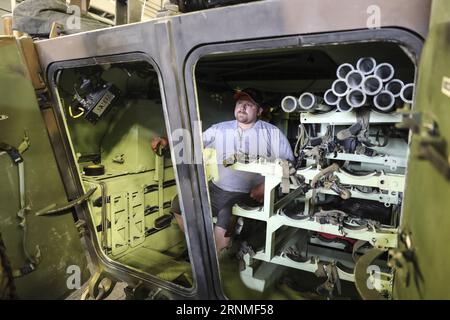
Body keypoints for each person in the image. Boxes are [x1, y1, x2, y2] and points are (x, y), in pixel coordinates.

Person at [151, 88, 294, 253]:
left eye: (249, 105)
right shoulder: (220, 128)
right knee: (180, 201)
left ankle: (217, 259)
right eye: (240, 103)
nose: (242, 107)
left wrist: (264, 187)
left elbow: (289, 163)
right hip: (217, 189)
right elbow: (194, 142)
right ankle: (199, 249)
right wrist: (166, 140)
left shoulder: (271, 133)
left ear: (259, 111)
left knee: (228, 212)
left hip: (247, 194)